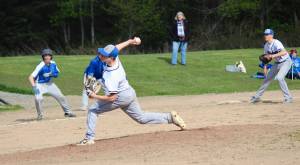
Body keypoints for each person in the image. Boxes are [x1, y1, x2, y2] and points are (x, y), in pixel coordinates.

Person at [77, 38, 186, 145]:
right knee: (141, 118)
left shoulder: (112, 76)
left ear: (110, 58)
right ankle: (170, 118)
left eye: (103, 55)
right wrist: (130, 41)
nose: (100, 56)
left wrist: (94, 96)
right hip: (129, 92)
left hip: (120, 97)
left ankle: (89, 138)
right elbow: (117, 47)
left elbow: (112, 98)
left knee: (93, 110)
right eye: (101, 53)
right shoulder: (115, 58)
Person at [28, 49, 76, 120]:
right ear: (43, 57)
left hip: (50, 84)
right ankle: (40, 115)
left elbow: (56, 74)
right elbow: (30, 77)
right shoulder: (40, 66)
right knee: (38, 98)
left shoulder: (53, 63)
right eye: (45, 55)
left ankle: (67, 112)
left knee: (61, 96)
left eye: (49, 55)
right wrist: (34, 87)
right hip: (39, 85)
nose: (47, 57)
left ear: (51, 57)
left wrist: (51, 74)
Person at [250, 29, 293, 103]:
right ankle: (257, 97)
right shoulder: (266, 46)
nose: (265, 36)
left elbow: (284, 52)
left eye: (267, 34)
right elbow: (266, 59)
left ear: (271, 35)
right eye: (265, 34)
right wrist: (265, 66)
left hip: (286, 61)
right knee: (267, 79)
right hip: (277, 63)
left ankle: (288, 98)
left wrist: (273, 55)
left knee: (279, 78)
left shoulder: (276, 43)